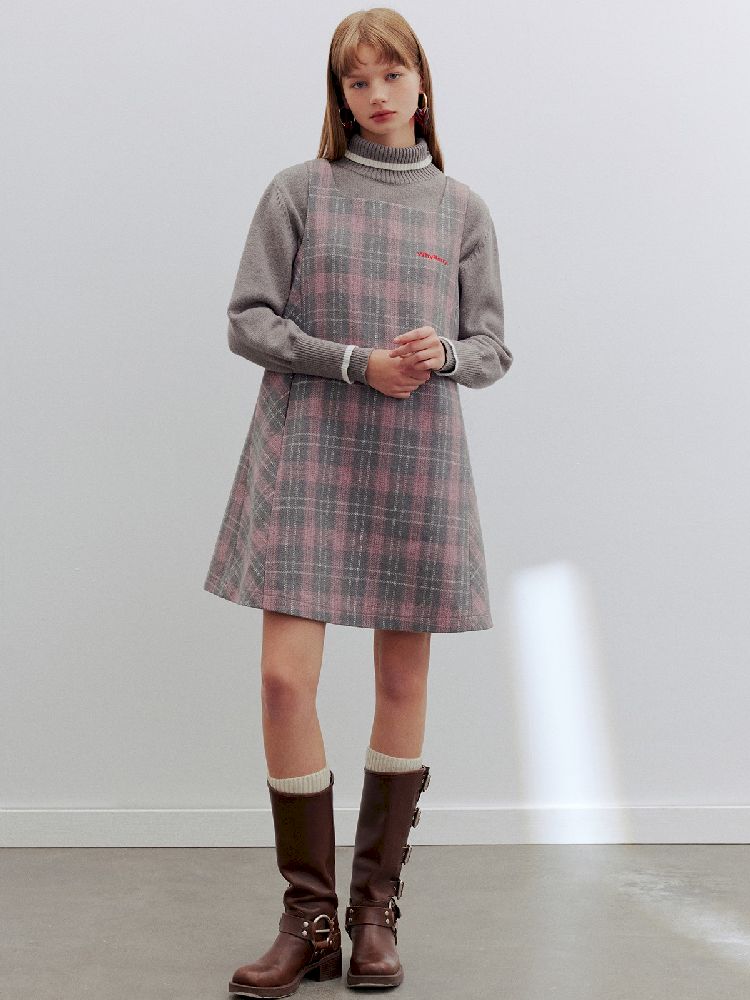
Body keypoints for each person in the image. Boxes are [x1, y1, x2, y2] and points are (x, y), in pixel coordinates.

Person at [203, 8, 513, 996]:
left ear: (423, 83)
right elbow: (248, 319)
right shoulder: (300, 192)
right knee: (284, 681)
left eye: (392, 73)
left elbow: (493, 347)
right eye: (356, 79)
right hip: (309, 448)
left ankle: (374, 912)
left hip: (416, 457)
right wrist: (353, 362)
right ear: (339, 96)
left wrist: (445, 354)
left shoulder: (460, 209)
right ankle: (309, 919)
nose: (377, 93)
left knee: (402, 683)